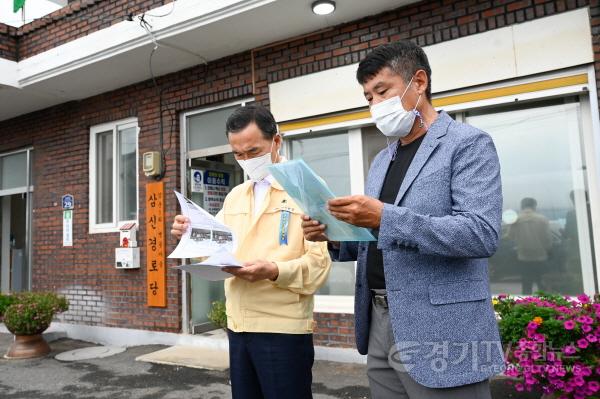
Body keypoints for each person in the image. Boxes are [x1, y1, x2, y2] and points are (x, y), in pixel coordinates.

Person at [302, 41, 504, 399]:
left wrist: (384, 217)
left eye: (383, 91)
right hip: (378, 318)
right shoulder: (382, 159)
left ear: (419, 82)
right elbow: (377, 236)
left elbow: (480, 233)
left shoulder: (468, 143)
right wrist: (333, 236)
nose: (376, 105)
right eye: (368, 97)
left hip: (441, 326)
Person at [171, 105, 331, 399]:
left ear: (276, 142)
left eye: (253, 151)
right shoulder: (236, 196)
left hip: (283, 329)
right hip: (238, 326)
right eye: (238, 154)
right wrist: (190, 235)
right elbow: (216, 250)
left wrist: (273, 270)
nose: (246, 160)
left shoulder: (306, 188)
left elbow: (319, 266)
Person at [509, 197, 553, 295]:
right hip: (540, 256)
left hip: (523, 257)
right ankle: (544, 305)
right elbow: (548, 239)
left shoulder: (516, 220)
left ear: (522, 206)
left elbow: (511, 236)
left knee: (526, 284)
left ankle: (525, 305)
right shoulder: (542, 219)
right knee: (541, 283)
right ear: (534, 206)